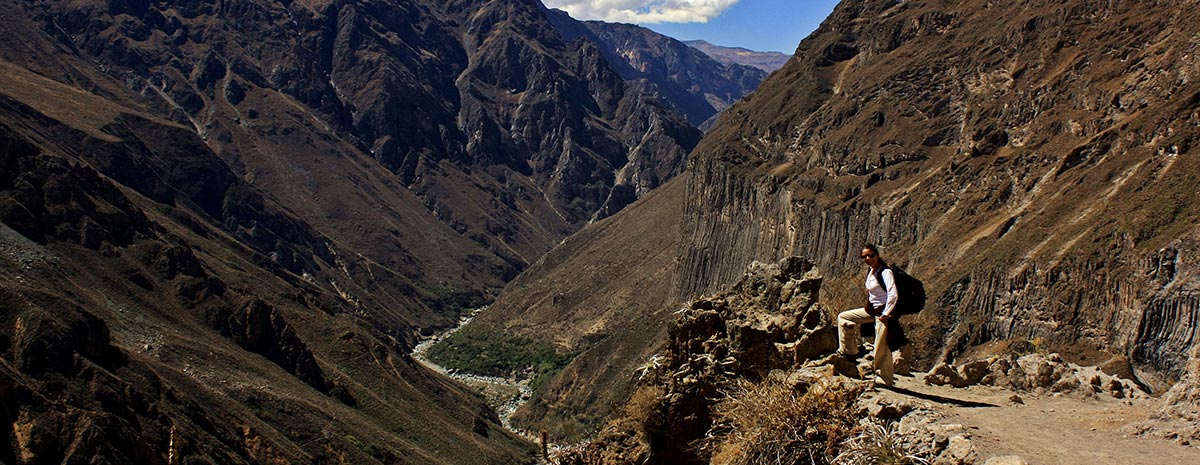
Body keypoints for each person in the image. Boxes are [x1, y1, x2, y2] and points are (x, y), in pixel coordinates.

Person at [837, 244, 900, 386]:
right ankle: (849, 350)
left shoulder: (885, 272)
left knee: (881, 346)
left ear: (877, 255)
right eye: (864, 256)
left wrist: (886, 313)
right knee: (843, 317)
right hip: (872, 310)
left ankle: (885, 379)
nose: (868, 258)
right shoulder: (871, 271)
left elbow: (893, 294)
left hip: (883, 313)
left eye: (870, 255)